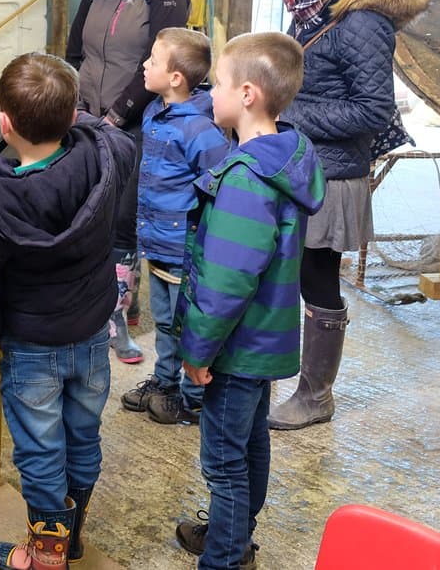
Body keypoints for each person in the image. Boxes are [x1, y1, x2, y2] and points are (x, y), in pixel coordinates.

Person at [0, 53, 136, 569]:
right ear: (73, 115)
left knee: (39, 450)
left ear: (4, 124)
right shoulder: (105, 156)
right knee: (82, 435)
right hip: (94, 335)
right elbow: (104, 130)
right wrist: (74, 113)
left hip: (31, 348)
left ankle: (46, 558)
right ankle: (70, 539)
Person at [268, 0, 433, 429]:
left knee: (318, 280)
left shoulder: (361, 19)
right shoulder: (315, 9)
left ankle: (316, 396)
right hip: (305, 161)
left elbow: (371, 109)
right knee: (297, 274)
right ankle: (302, 384)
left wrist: (286, 112)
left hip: (333, 173)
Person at [173, 32, 326, 569]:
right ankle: (231, 533)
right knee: (250, 441)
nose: (206, 95)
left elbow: (226, 282)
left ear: (247, 95)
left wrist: (196, 350)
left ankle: (227, 556)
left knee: (223, 460)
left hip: (236, 347)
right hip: (267, 339)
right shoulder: (284, 159)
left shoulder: (244, 178)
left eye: (214, 85)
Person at [66, 0, 190, 364]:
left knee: (120, 223)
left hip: (135, 124)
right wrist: (77, 105)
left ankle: (116, 315)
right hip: (89, 118)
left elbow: (165, 63)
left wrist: (118, 115)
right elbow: (74, 51)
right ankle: (104, 299)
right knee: (87, 211)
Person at [119, 28, 229, 426]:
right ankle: (164, 382)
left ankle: (194, 396)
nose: (144, 66)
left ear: (176, 78)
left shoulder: (200, 130)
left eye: (152, 61)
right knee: (164, 320)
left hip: (183, 245)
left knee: (189, 322)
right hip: (157, 239)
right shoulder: (153, 111)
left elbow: (218, 187)